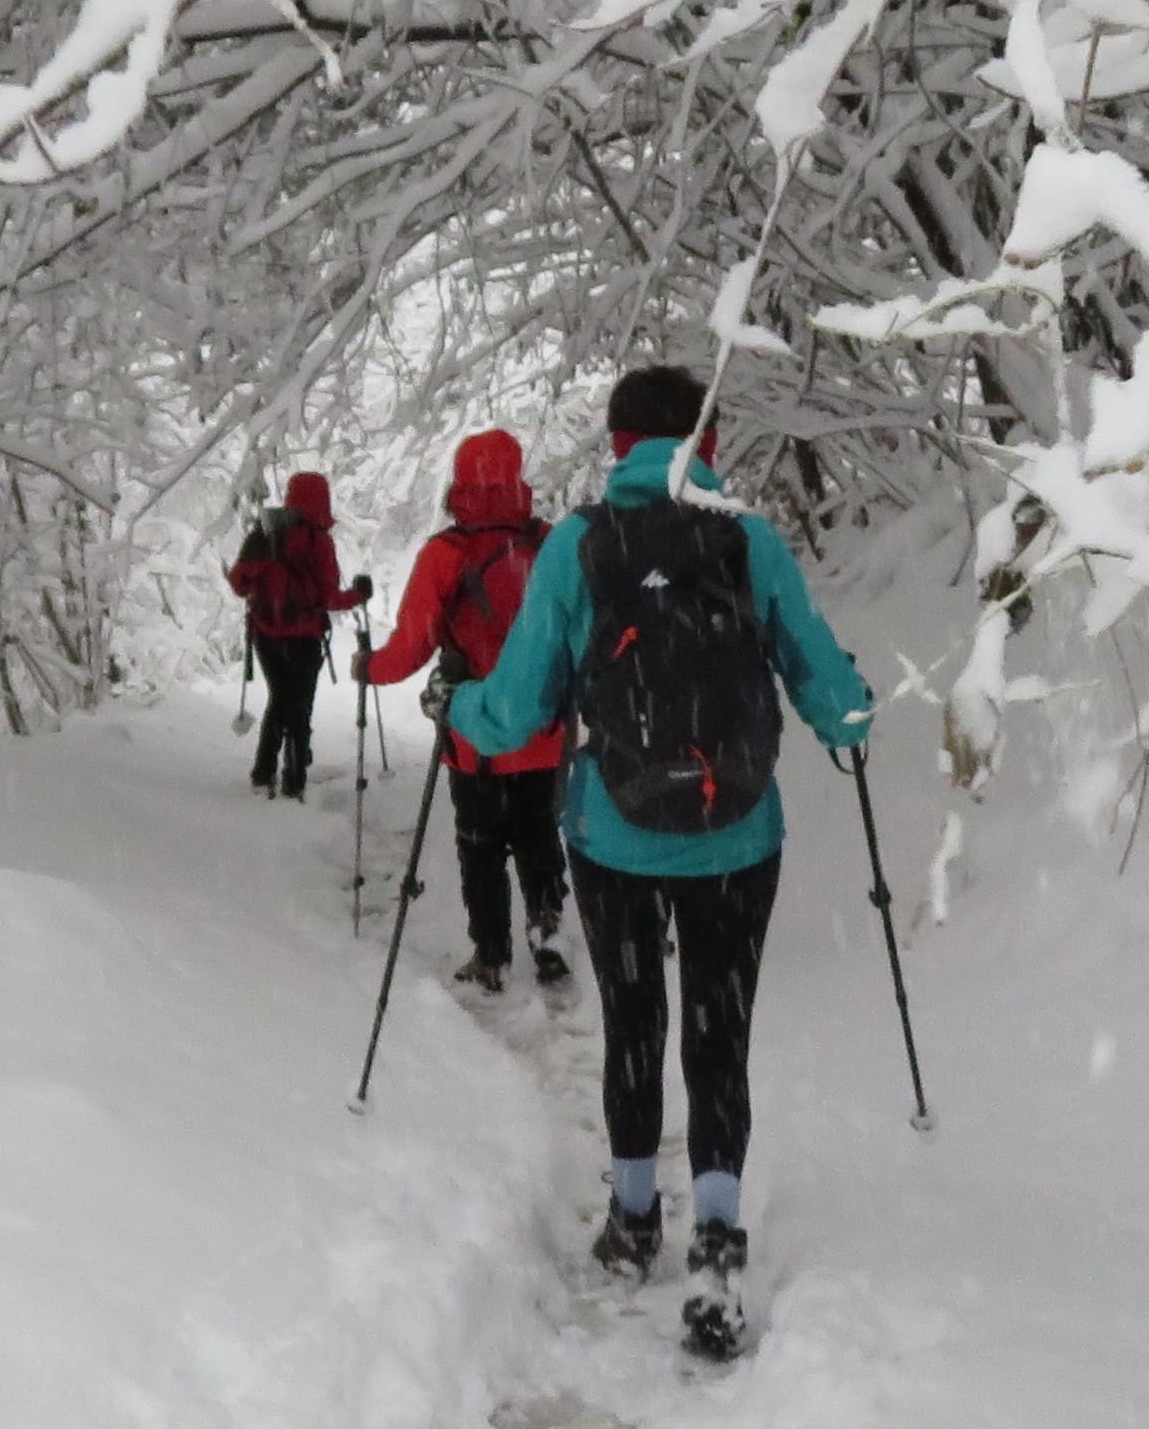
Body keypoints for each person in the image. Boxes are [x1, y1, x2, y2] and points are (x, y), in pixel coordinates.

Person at [452, 364, 869, 1351]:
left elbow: (516, 708)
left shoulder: (577, 547)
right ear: (708, 444)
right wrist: (851, 702)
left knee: (635, 1018)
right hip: (738, 835)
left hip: (616, 837)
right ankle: (718, 1235)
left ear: (616, 444)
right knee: (718, 1032)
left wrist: (456, 707)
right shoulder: (750, 541)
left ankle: (636, 1218)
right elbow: (833, 695)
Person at [357, 430, 570, 994]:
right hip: (545, 729)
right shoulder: (548, 544)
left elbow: (411, 647)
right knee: (539, 834)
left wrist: (367, 669)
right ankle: (549, 933)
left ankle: (491, 955)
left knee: (481, 844)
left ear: (461, 481)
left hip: (474, 734)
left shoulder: (447, 553)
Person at [224, 470, 366, 799]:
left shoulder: (264, 533)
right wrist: (358, 595)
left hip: (265, 635)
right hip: (304, 637)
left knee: (280, 698)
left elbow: (237, 583)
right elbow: (329, 598)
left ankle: (265, 771)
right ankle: (294, 773)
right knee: (299, 703)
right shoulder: (318, 541)